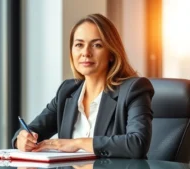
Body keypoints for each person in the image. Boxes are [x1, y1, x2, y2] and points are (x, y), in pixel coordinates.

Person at [12, 13, 154, 159]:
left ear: (111, 53)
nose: (86, 53)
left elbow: (137, 144)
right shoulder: (67, 91)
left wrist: (77, 143)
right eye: (79, 45)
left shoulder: (134, 89)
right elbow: (33, 130)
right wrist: (21, 139)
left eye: (96, 45)